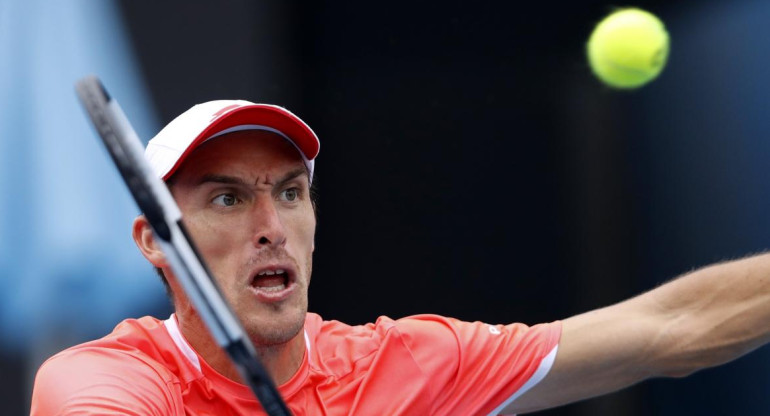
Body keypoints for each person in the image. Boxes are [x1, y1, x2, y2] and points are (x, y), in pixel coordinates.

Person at [30, 100, 770, 415]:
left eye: (290, 194)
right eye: (226, 199)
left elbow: (672, 327)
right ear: (154, 241)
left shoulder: (402, 366)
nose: (270, 226)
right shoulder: (106, 377)